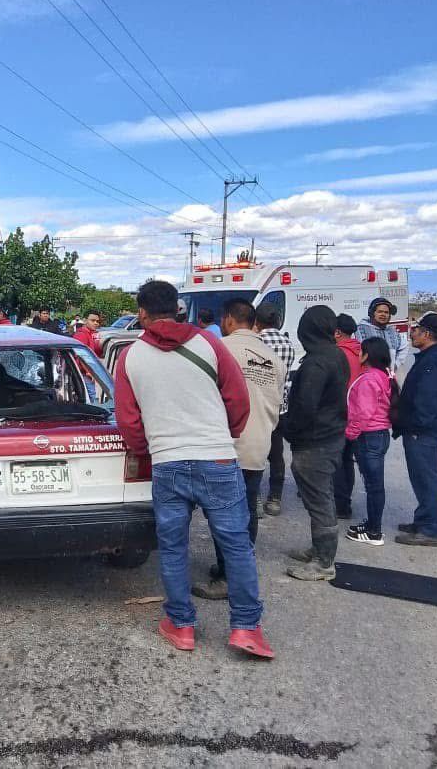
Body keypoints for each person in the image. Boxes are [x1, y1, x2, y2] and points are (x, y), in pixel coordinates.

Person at [114, 281, 272, 659]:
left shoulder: (130, 357)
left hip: (167, 462)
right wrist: (224, 435)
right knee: (236, 545)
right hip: (217, 457)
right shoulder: (209, 343)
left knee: (172, 547)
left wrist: (148, 451)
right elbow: (237, 398)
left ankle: (181, 625)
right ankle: (247, 628)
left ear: (142, 313)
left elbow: (128, 421)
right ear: (178, 308)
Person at [193, 298, 284, 601]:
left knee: (223, 512)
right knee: (247, 510)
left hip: (226, 443)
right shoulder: (274, 358)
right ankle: (240, 569)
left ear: (229, 320)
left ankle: (229, 577)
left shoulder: (221, 350)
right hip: (259, 444)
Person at [282, 306, 349, 581]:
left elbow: (305, 408)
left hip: (315, 441)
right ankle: (319, 550)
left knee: (319, 500)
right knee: (322, 497)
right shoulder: (336, 354)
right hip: (332, 436)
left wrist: (286, 427)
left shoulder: (316, 363)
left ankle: (324, 562)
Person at [394, 312, 437, 546]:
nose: (411, 332)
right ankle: (423, 521)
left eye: (415, 329)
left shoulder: (435, 361)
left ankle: (430, 529)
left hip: (423, 431)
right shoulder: (432, 355)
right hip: (423, 429)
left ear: (427, 334)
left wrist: (413, 427)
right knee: (421, 477)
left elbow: (426, 401)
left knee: (426, 478)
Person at [344, 337, 395, 546]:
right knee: (374, 484)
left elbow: (363, 413)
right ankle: (372, 523)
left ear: (367, 355)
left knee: (374, 486)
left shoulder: (368, 379)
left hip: (370, 435)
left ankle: (374, 532)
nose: (358, 354)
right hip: (379, 434)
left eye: (361, 351)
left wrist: (350, 433)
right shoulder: (382, 375)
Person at [254, 303, 295, 517]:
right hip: (280, 406)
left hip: (258, 406)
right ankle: (275, 498)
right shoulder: (288, 344)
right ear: (278, 322)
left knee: (256, 452)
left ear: (257, 322)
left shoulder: (257, 342)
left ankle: (256, 497)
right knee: (276, 454)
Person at [333, 313, 363, 520]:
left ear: (337, 332)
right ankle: (345, 503)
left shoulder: (337, 354)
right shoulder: (362, 352)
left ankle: (340, 504)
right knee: (347, 461)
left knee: (337, 461)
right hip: (360, 417)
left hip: (340, 415)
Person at [356, 297, 408, 371]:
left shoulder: (393, 332)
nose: (383, 314)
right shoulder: (359, 330)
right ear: (372, 313)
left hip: (389, 376)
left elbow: (404, 347)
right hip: (369, 377)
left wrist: (395, 365)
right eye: (380, 312)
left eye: (386, 312)